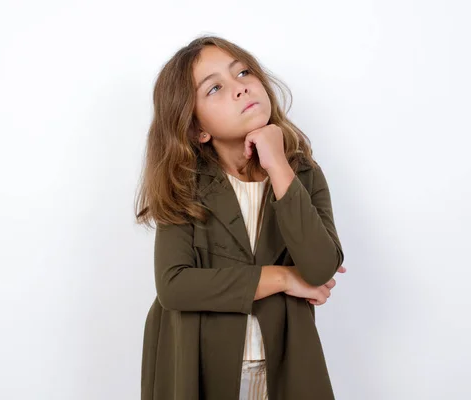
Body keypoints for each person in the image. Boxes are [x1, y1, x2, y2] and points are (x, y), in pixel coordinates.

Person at [135, 35, 346, 400]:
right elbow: (174, 286)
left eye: (244, 72)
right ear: (197, 127)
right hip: (197, 365)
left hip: (286, 362)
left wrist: (278, 163)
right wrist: (283, 277)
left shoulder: (303, 174)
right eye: (215, 87)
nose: (240, 88)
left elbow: (321, 267)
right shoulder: (185, 184)